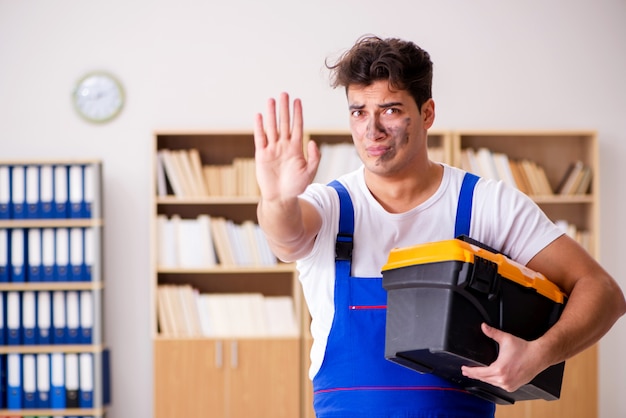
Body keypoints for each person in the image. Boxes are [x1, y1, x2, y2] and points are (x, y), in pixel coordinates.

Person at [253, 35, 626, 417]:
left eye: (391, 110)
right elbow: (287, 237)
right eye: (359, 112)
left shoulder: (487, 205)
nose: (372, 130)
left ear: (427, 113)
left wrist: (540, 354)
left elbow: (604, 293)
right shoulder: (330, 206)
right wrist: (278, 200)